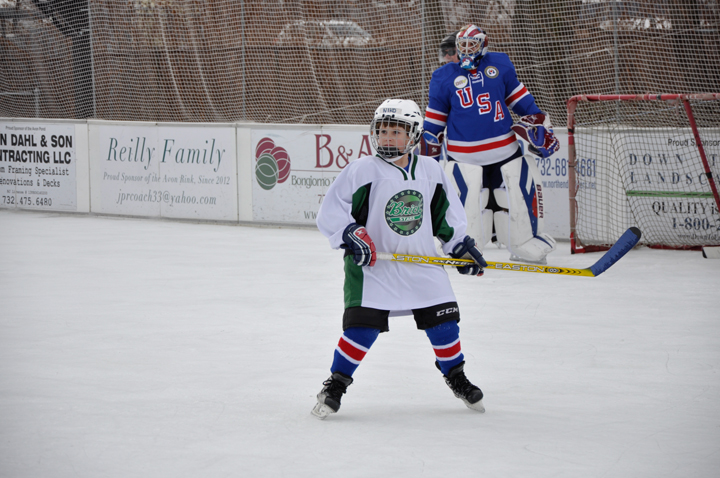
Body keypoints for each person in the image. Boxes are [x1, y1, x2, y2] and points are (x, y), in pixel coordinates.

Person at [312, 98, 487, 419]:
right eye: (382, 131)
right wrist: (350, 233)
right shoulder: (362, 170)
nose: (387, 138)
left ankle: (457, 377)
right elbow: (331, 211)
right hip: (374, 266)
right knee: (361, 330)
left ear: (413, 134)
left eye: (396, 132)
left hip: (422, 264)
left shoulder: (431, 170)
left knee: (445, 324)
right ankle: (335, 385)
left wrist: (459, 246)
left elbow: (446, 217)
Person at [421, 25, 560, 264]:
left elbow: (524, 104)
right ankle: (460, 245)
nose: (466, 50)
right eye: (462, 45)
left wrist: (540, 127)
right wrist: (427, 164)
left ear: (483, 45)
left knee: (517, 198)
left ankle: (525, 242)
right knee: (468, 209)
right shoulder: (443, 77)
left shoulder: (500, 65)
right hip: (464, 158)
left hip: (506, 153)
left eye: (471, 45)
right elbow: (433, 127)